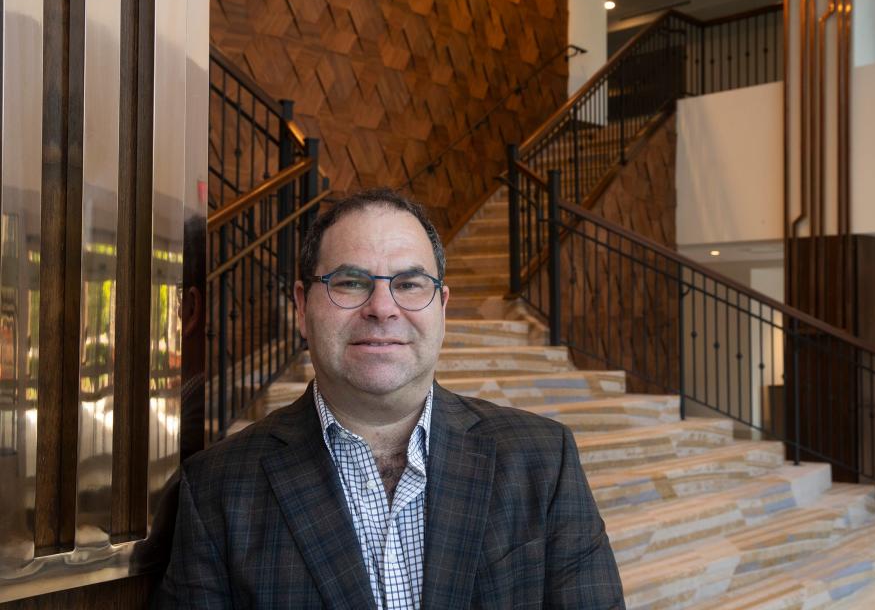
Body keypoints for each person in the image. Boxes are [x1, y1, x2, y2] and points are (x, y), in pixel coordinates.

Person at [157, 189, 624, 608]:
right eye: (351, 282)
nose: (382, 308)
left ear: (442, 306)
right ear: (302, 307)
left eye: (409, 284)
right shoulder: (218, 488)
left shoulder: (543, 459)